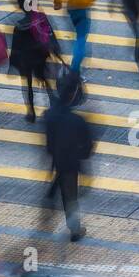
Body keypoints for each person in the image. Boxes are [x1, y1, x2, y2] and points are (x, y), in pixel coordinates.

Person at [43, 67, 94, 240]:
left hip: (57, 159)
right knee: (70, 196)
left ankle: (50, 198)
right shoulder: (77, 121)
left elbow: (49, 145)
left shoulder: (49, 115)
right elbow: (87, 147)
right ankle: (75, 230)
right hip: (72, 163)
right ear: (73, 94)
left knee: (63, 188)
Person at [9, 0, 61, 119]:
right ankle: (52, 102)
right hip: (40, 56)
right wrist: (56, 51)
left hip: (26, 61)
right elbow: (50, 35)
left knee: (28, 85)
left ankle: (31, 111)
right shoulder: (41, 17)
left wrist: (13, 64)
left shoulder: (19, 26)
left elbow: (15, 48)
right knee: (45, 80)